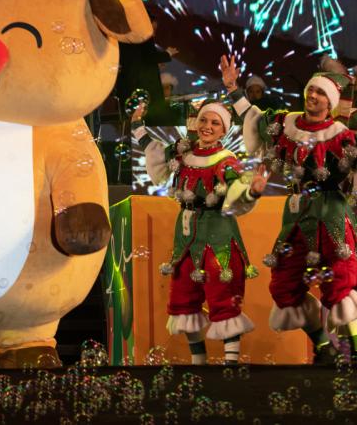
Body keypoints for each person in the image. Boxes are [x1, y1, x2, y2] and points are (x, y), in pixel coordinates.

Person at [221, 55, 357, 364]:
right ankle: (324, 347)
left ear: (331, 102)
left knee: (341, 281)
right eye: (311, 90)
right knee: (283, 284)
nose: (313, 95)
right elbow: (253, 117)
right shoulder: (286, 124)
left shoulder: (341, 134)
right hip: (296, 215)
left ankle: (355, 348)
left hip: (333, 215)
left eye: (321, 92)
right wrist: (232, 88)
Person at [133, 101, 266, 364]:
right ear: (196, 123)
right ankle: (199, 362)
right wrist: (137, 124)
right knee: (182, 297)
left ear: (224, 130)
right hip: (186, 236)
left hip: (218, 237)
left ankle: (230, 362)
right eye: (204, 120)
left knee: (223, 295)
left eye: (215, 123)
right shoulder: (183, 154)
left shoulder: (226, 160)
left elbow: (237, 190)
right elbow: (153, 149)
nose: (207, 127)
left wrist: (252, 191)